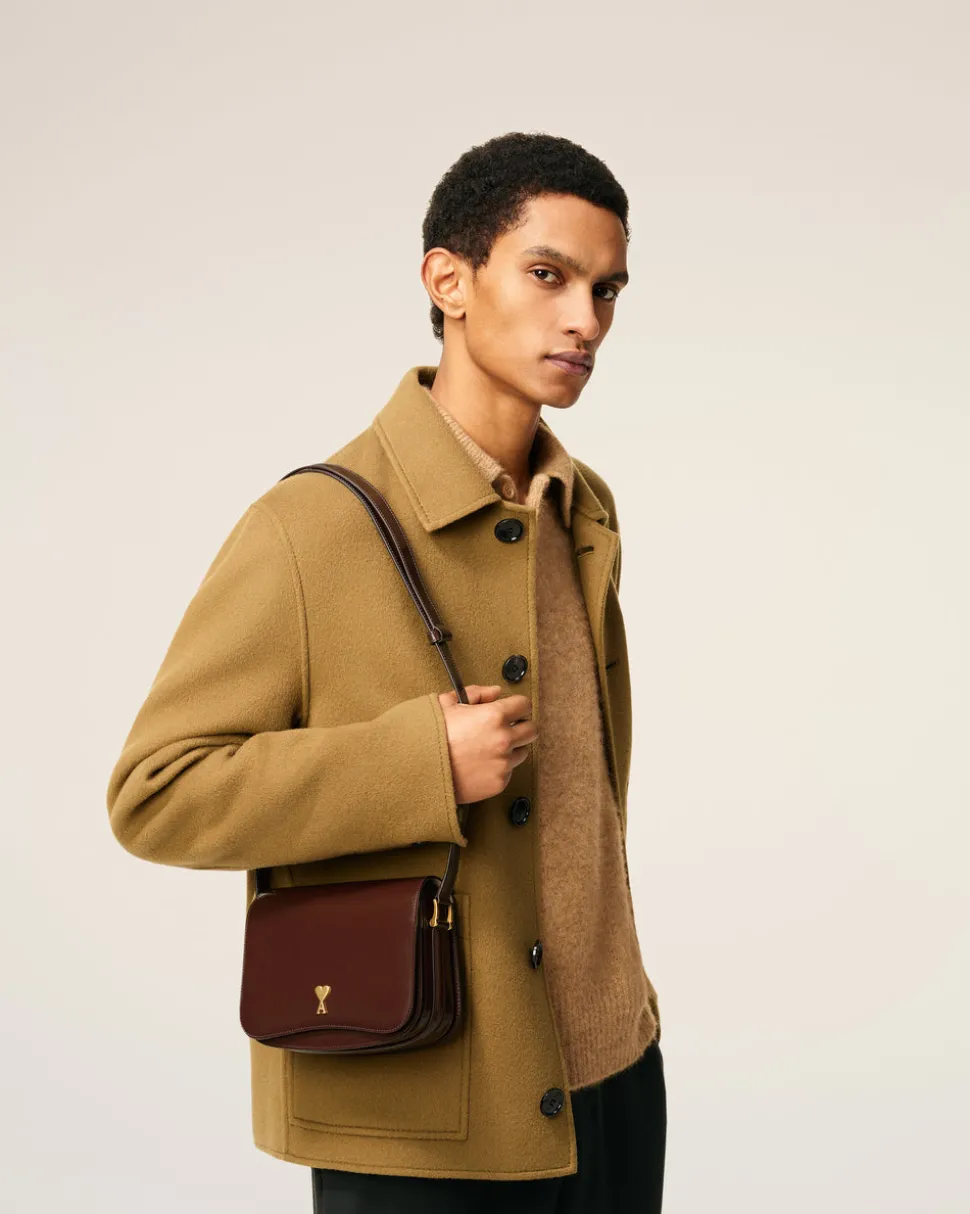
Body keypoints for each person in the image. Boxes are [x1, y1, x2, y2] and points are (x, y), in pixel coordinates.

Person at [107, 130, 666, 1212]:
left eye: (607, 289)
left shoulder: (581, 508)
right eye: (548, 275)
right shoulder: (309, 527)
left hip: (614, 1080)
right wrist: (416, 764)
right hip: (423, 1110)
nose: (586, 321)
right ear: (447, 281)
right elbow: (155, 792)